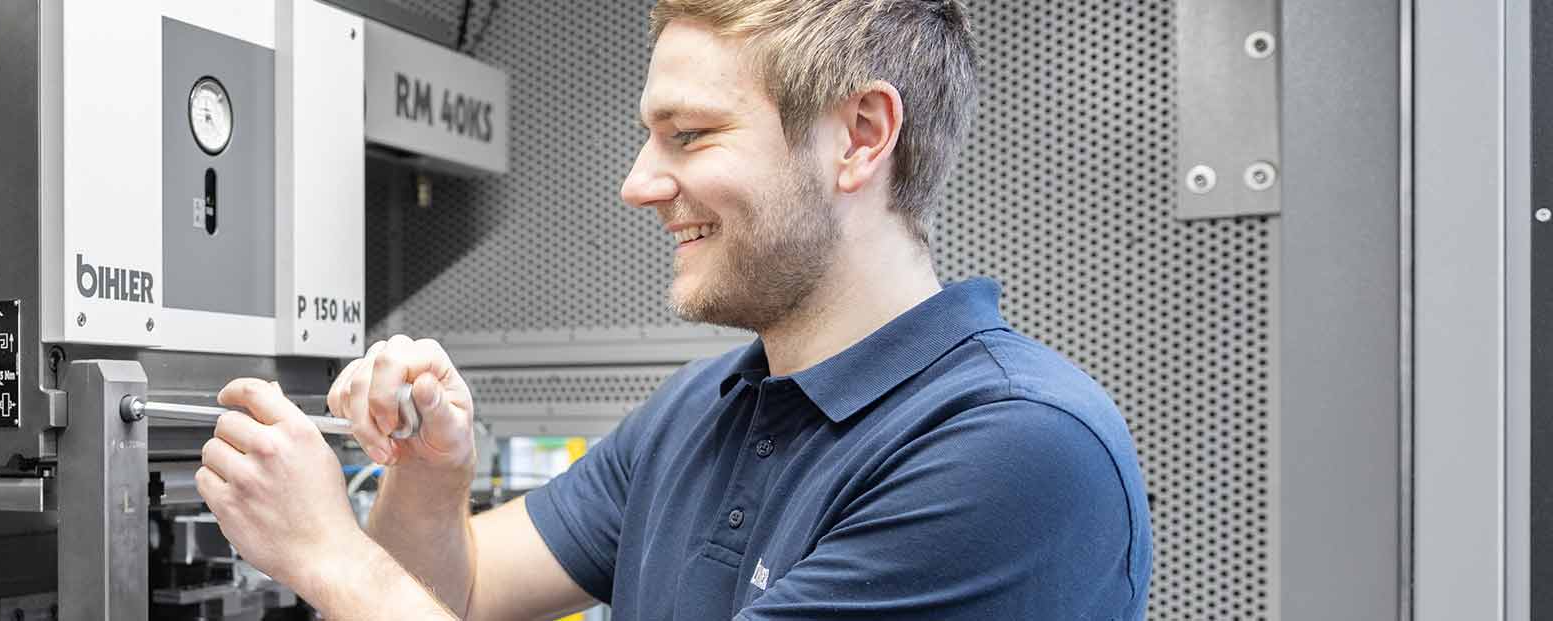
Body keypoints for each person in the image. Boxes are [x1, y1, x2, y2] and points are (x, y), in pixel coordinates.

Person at [190, 0, 1153, 618]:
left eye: (689, 135)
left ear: (861, 136)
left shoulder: (1017, 449)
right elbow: (462, 592)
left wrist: (327, 553)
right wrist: (430, 479)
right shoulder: (701, 411)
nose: (639, 183)